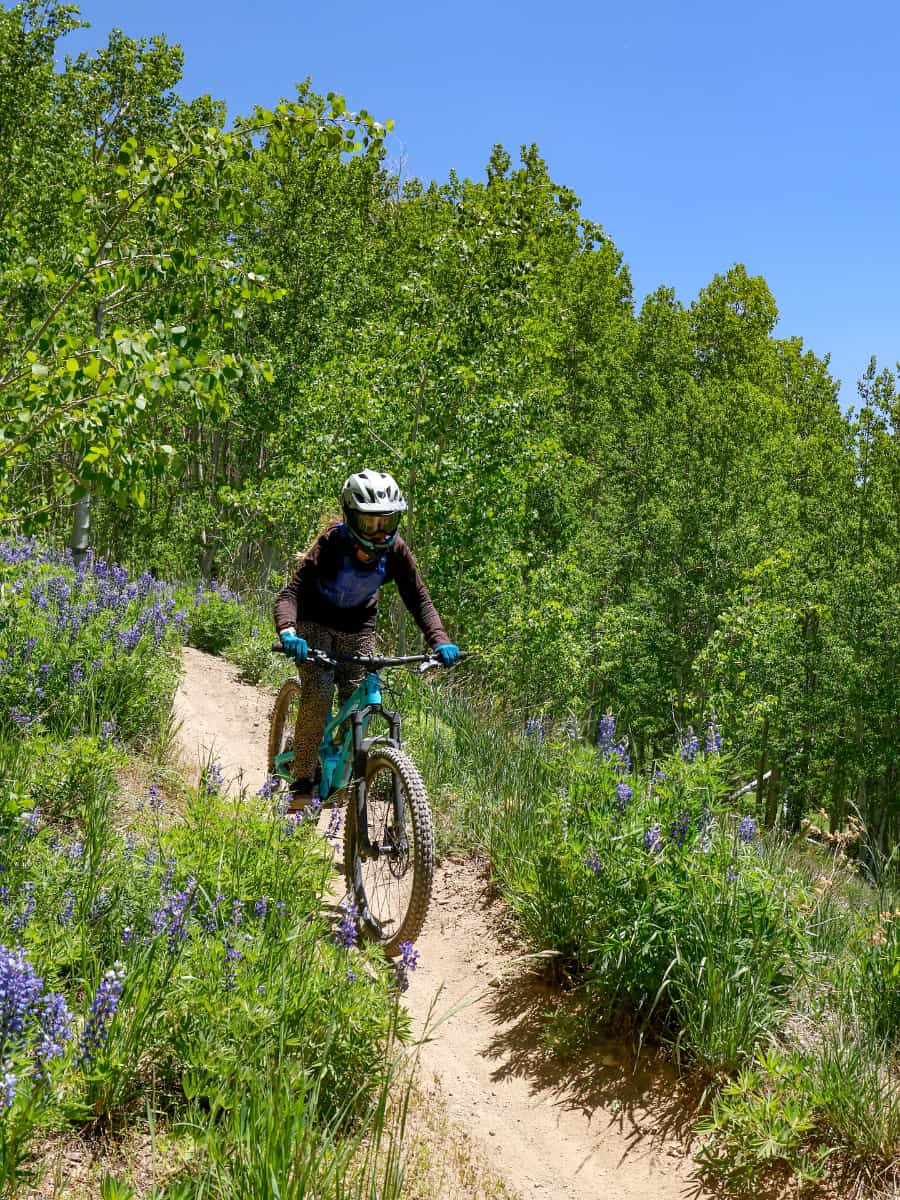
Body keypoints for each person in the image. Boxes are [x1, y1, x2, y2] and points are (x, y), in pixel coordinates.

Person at [273, 469, 460, 808]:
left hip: (358, 627)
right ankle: (302, 782)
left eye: (386, 523)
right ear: (350, 517)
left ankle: (341, 782)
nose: (378, 533)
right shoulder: (332, 543)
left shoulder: (396, 552)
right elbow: (291, 593)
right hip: (315, 622)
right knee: (317, 693)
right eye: (369, 523)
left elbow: (419, 598)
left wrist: (440, 640)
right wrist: (288, 631)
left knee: (358, 703)